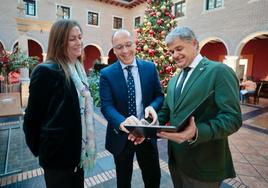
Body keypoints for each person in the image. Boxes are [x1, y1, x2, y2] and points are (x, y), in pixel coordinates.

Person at [157, 26, 242, 188]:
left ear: (195, 44)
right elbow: (167, 111)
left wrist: (196, 132)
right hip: (176, 161)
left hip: (204, 164)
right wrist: (148, 124)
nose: (175, 55)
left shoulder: (219, 71)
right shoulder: (174, 79)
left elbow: (233, 119)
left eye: (179, 48)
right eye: (171, 52)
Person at [23, 19, 96, 188]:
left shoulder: (78, 69)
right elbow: (32, 119)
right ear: (60, 41)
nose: (79, 42)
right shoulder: (47, 71)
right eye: (72, 39)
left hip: (78, 154)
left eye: (80, 37)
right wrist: (43, 150)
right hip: (57, 158)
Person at [99, 29, 164, 188]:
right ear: (114, 50)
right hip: (121, 136)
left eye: (128, 45)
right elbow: (106, 106)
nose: (125, 51)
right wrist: (123, 122)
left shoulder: (149, 67)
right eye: (119, 47)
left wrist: (152, 107)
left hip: (146, 133)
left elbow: (159, 96)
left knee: (153, 178)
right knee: (123, 181)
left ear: (135, 44)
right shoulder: (106, 74)